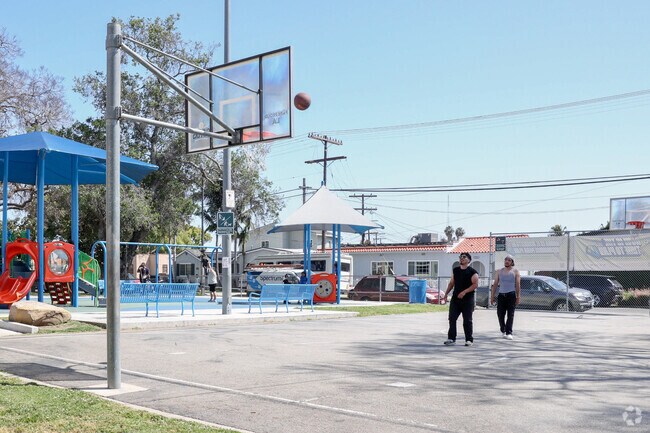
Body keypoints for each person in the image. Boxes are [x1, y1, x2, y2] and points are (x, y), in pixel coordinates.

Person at [443, 253, 479, 346]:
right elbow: (451, 283)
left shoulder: (473, 272)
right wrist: (446, 293)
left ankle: (469, 339)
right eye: (460, 257)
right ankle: (451, 338)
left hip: (467, 299)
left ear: (469, 260)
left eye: (464, 257)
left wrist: (464, 292)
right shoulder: (456, 270)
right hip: (455, 299)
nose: (461, 259)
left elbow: (475, 285)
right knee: (452, 318)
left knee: (467, 320)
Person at [490, 254, 521, 340]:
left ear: (512, 262)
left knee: (510, 314)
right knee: (500, 314)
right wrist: (492, 296)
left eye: (509, 260)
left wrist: (518, 296)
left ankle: (509, 332)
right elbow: (495, 284)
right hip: (501, 295)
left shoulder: (515, 271)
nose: (507, 261)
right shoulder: (499, 271)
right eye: (505, 259)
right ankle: (503, 330)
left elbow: (518, 285)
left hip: (511, 294)